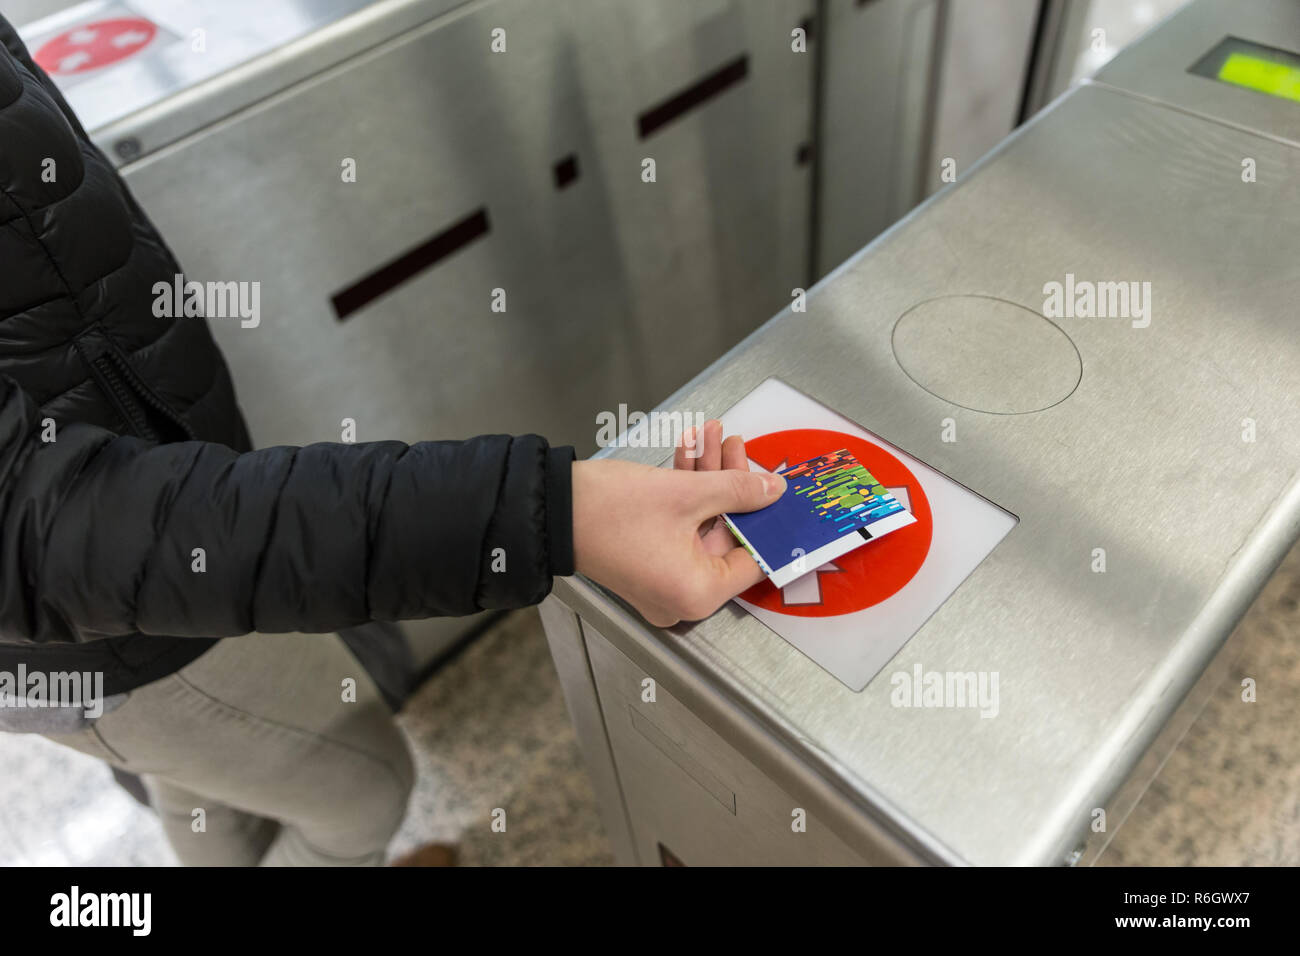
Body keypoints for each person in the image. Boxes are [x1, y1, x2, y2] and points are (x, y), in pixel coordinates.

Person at [0, 16, 783, 864]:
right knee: (361, 790)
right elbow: (35, 526)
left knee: (212, 791)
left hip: (147, 544)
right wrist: (555, 511)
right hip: (108, 627)